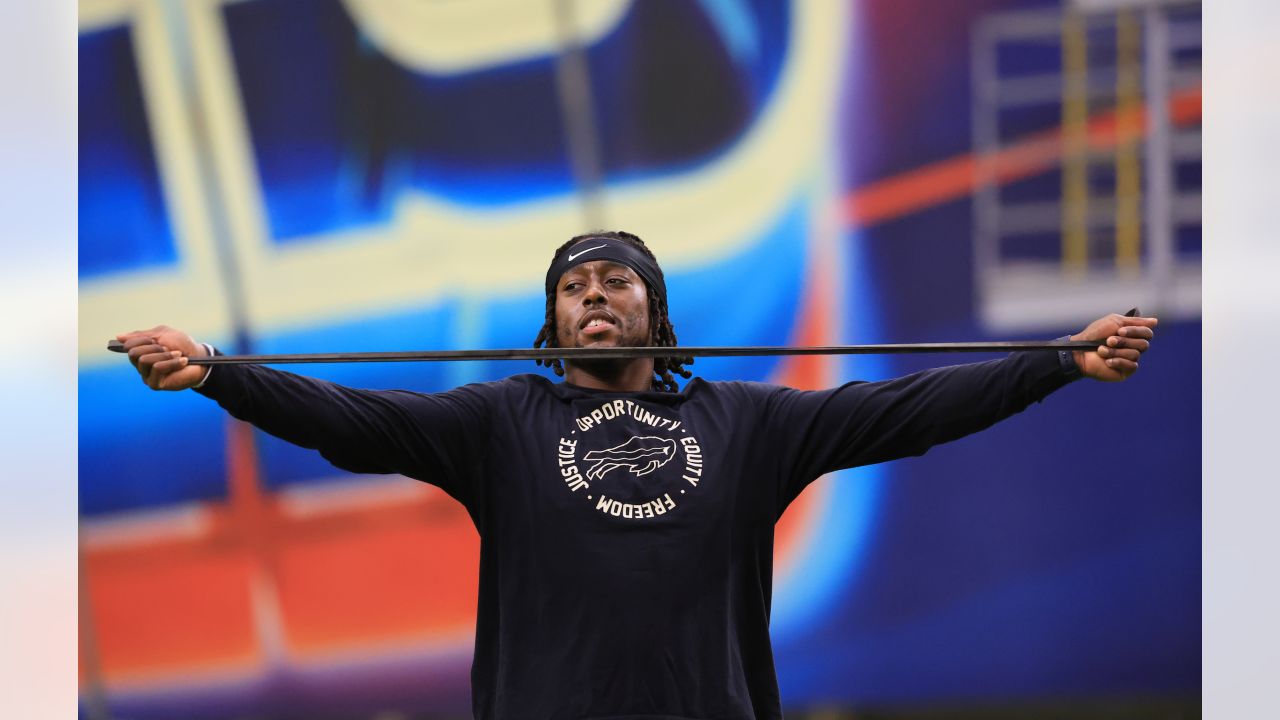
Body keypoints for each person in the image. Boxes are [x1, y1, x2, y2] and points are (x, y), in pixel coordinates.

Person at [117, 230, 1156, 720]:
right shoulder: (500, 422)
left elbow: (907, 411)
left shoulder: (742, 421)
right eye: (573, 288)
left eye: (616, 282)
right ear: (552, 321)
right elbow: (350, 420)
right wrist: (218, 374)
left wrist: (1056, 361)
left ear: (656, 314)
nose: (593, 297)